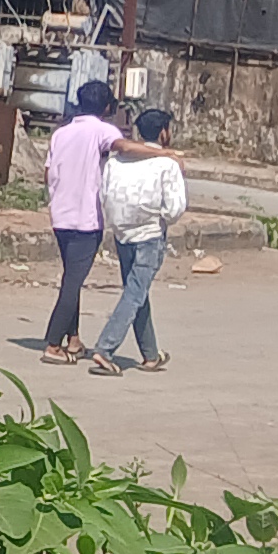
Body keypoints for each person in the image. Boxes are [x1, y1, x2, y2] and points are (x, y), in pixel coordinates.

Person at [88, 110, 189, 373]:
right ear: (164, 132)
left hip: (122, 234)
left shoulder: (116, 162)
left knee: (136, 291)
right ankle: (105, 349)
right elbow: (175, 209)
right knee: (135, 293)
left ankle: (150, 354)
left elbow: (105, 195)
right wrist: (161, 217)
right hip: (149, 236)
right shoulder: (168, 164)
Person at [38, 80, 122, 362]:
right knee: (72, 282)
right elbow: (120, 146)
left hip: (61, 215)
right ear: (107, 107)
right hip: (86, 219)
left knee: (71, 277)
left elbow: (48, 172)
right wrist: (160, 152)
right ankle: (53, 344)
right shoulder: (103, 130)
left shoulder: (61, 133)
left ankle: (73, 339)